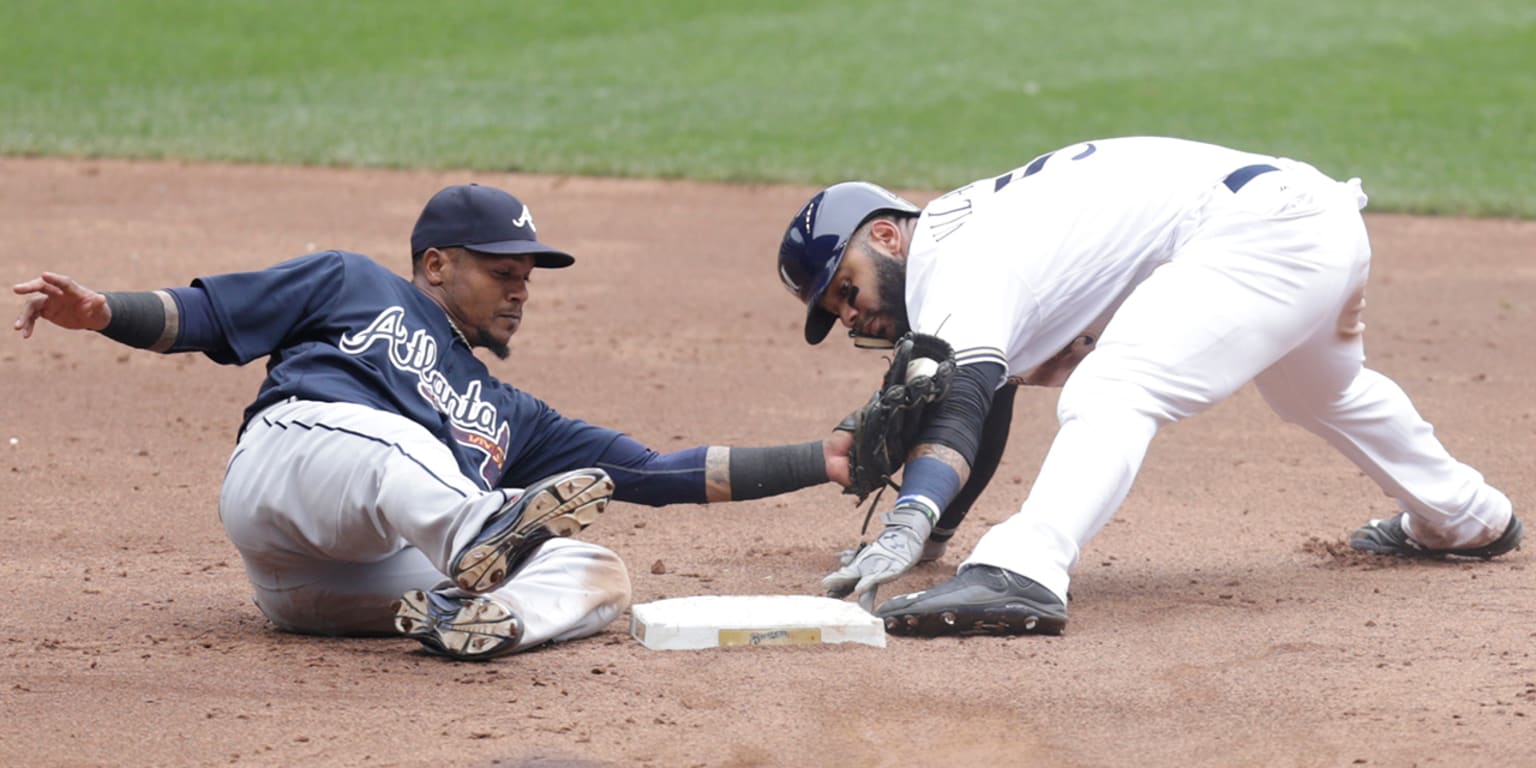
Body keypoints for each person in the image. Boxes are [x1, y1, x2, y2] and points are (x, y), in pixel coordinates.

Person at [14, 183, 848, 660]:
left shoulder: (510, 415)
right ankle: (481, 533)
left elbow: (659, 472)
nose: (520, 290)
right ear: (436, 264)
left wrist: (828, 457)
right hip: (290, 472)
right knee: (402, 444)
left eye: (526, 276)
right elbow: (200, 316)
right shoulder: (351, 284)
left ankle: (487, 619)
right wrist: (101, 313)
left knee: (596, 568)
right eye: (500, 272)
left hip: (320, 593)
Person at [775, 136, 1522, 636]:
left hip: (1266, 230)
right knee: (1320, 392)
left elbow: (964, 404)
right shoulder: (962, 244)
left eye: (846, 289)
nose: (852, 317)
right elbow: (988, 403)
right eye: (836, 311)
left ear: (884, 235)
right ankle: (1466, 515)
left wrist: (904, 523)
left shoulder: (953, 263)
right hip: (1304, 220)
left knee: (1113, 386)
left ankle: (1023, 569)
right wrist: (934, 531)